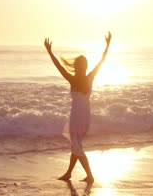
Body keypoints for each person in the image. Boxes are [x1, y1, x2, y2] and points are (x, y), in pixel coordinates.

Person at [44, 32, 112, 183]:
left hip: (76, 118)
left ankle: (90, 175)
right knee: (76, 145)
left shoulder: (73, 80)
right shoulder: (90, 77)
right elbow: (102, 61)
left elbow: (59, 67)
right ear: (85, 66)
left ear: (76, 66)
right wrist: (107, 45)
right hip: (85, 117)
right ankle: (68, 173)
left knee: (77, 146)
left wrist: (49, 52)